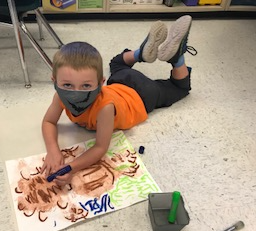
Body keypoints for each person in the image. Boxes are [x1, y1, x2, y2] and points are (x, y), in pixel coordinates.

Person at [41, 15, 197, 186]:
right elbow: (48, 121)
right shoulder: (59, 97)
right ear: (54, 82)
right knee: (116, 64)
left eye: (86, 86)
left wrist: (71, 167)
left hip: (143, 95)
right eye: (68, 85)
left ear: (101, 84)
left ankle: (176, 58)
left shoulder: (105, 108)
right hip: (120, 80)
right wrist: (53, 151)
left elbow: (100, 147)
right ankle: (140, 53)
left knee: (179, 88)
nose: (76, 93)